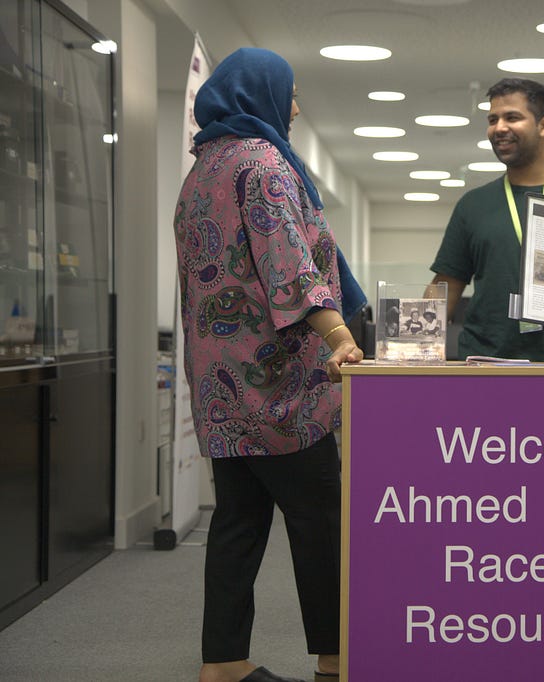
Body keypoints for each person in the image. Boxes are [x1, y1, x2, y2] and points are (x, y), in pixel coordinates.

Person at [174, 47, 362, 682]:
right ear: (263, 94)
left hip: (220, 389)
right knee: (322, 524)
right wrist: (337, 333)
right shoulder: (261, 161)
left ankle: (223, 662)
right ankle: (337, 659)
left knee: (237, 521)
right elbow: (288, 264)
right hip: (279, 387)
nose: (297, 108)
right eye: (292, 94)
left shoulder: (201, 171)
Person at [429, 77, 544, 362]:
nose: (499, 128)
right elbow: (445, 289)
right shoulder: (473, 205)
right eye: (492, 119)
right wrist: (414, 351)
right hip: (483, 365)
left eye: (512, 117)